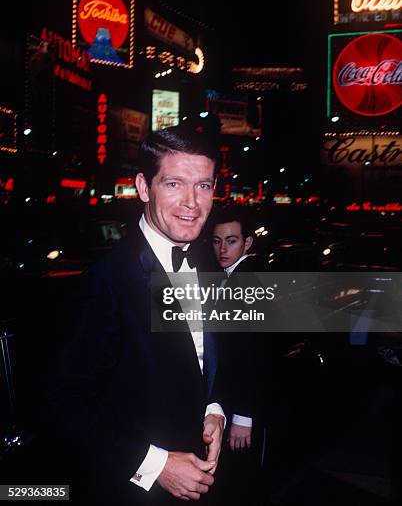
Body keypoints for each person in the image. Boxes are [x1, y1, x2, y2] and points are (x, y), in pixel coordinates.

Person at [44, 126, 225, 505]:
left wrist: (214, 410)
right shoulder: (106, 280)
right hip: (128, 490)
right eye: (174, 184)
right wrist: (156, 465)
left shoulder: (208, 261)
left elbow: (209, 359)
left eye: (204, 185)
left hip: (202, 484)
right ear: (144, 187)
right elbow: (63, 407)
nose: (192, 203)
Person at [211, 206, 267, 504]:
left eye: (231, 241)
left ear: (247, 243)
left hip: (240, 404)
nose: (222, 248)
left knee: (240, 484)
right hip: (228, 399)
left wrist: (243, 416)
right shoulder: (229, 277)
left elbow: (253, 353)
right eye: (217, 240)